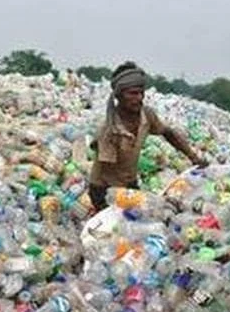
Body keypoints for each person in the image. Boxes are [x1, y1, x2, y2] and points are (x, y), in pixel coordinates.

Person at [87, 62, 207, 212]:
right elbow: (108, 173)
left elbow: (168, 133)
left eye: (141, 93)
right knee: (123, 224)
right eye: (132, 93)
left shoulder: (147, 115)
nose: (139, 98)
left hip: (129, 185)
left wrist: (194, 157)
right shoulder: (109, 130)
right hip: (105, 190)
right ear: (119, 95)